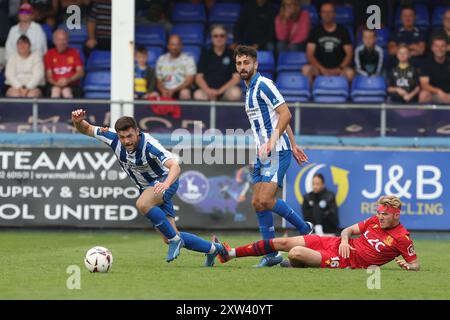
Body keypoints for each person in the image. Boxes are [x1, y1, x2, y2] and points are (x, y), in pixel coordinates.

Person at [71, 109, 227, 266]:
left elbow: (175, 166)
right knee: (169, 236)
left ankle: (175, 240)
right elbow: (86, 128)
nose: (126, 141)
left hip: (165, 182)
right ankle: (215, 249)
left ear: (137, 132)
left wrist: (166, 184)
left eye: (130, 136)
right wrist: (78, 121)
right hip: (148, 188)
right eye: (122, 137)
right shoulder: (111, 137)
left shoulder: (150, 145)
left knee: (143, 204)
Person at [234, 45, 313, 268]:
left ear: (255, 64)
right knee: (258, 203)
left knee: (266, 200)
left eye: (246, 62)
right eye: (239, 63)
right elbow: (279, 116)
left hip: (277, 150)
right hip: (263, 152)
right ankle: (271, 255)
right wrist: (294, 144)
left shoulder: (264, 84)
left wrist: (277, 143)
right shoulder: (248, 89)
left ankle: (305, 228)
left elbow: (286, 112)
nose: (242, 67)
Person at [214, 195, 420, 271]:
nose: (380, 216)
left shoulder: (402, 238)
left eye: (385, 214)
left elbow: (415, 263)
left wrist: (408, 266)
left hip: (347, 261)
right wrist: (346, 240)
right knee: (283, 242)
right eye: (379, 212)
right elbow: (348, 230)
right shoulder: (374, 221)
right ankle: (229, 254)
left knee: (295, 252)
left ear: (396, 215)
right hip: (335, 243)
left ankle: (288, 264)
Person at [302, 2, 354, 83]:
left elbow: (349, 54)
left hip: (339, 69)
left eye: (329, 12)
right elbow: (310, 54)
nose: (327, 14)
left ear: (334, 14)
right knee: (306, 70)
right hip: (319, 69)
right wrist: (322, 69)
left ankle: (344, 95)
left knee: (350, 73)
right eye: (324, 12)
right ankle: (312, 95)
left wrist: (339, 69)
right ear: (321, 14)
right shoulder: (315, 31)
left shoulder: (343, 30)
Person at [193, 25, 241, 101]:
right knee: (198, 95)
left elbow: (236, 78)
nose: (219, 38)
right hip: (207, 92)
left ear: (226, 38)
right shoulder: (205, 55)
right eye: (215, 36)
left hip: (226, 91)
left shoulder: (233, 55)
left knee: (236, 93)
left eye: (222, 36)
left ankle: (227, 113)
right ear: (212, 38)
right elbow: (199, 77)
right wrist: (208, 91)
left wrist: (219, 91)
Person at [44, 29, 84, 98]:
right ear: (54, 41)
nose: (61, 42)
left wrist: (68, 80)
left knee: (66, 91)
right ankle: (54, 109)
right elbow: (49, 77)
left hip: (73, 86)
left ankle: (70, 109)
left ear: (68, 40)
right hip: (54, 85)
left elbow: (80, 72)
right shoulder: (49, 54)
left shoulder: (74, 52)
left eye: (64, 39)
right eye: (58, 40)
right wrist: (57, 83)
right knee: (55, 90)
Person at [156, 34, 196, 100]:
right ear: (168, 46)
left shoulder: (189, 59)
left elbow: (189, 81)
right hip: (165, 90)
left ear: (182, 46)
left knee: (185, 93)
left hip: (181, 89)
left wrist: (173, 91)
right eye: (172, 44)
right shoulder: (161, 59)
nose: (175, 47)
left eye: (177, 44)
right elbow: (159, 81)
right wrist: (163, 90)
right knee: (153, 95)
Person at [418, 35, 450, 104]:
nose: (439, 49)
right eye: (437, 46)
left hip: (448, 95)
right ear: (432, 48)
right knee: (423, 95)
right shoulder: (426, 63)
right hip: (434, 94)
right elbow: (424, 84)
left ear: (447, 48)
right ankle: (424, 115)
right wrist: (438, 91)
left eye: (442, 46)